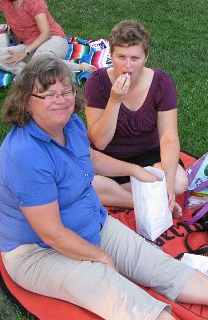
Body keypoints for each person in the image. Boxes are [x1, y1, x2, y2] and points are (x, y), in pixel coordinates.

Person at [0, 55, 208, 320]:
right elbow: (51, 232)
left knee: (156, 263)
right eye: (48, 94)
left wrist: (134, 170)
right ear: (26, 102)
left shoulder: (69, 123)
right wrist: (100, 257)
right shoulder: (25, 155)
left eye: (66, 91)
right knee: (118, 293)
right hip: (40, 252)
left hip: (91, 224)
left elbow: (89, 156)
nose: (61, 99)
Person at [84, 20, 187, 216]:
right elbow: (99, 141)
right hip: (110, 160)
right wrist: (114, 101)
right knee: (90, 182)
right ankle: (146, 202)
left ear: (146, 57)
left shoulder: (162, 83)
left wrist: (170, 182)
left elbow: (169, 137)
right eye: (121, 57)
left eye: (135, 58)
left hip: (148, 155)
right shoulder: (96, 83)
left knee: (180, 182)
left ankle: (122, 195)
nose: (127, 65)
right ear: (111, 55)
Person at [0, 0, 96, 75]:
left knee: (39, 60)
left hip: (53, 39)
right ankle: (28, 73)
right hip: (30, 46)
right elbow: (14, 25)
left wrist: (24, 52)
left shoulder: (33, 2)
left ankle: (80, 67)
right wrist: (18, 49)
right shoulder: (3, 2)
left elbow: (46, 33)